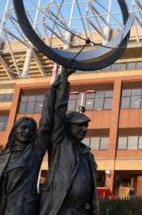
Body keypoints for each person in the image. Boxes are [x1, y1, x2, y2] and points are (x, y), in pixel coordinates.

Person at [0, 72, 61, 215]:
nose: (27, 131)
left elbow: (46, 125)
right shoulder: (1, 158)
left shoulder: (34, 151)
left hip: (22, 210)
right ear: (14, 131)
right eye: (23, 128)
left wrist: (52, 92)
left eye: (31, 129)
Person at [39, 68, 100, 215]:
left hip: (82, 210)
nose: (84, 129)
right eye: (79, 126)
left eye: (85, 126)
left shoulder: (87, 154)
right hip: (62, 208)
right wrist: (64, 79)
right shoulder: (59, 142)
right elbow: (59, 111)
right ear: (67, 126)